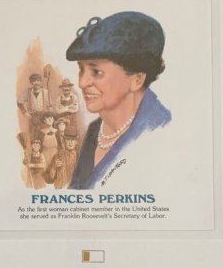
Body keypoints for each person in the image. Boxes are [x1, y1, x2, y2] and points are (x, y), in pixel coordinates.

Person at [66, 12, 171, 189]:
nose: (82, 82)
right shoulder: (94, 132)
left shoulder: (159, 131)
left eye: (96, 72)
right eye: (81, 69)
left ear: (137, 79)